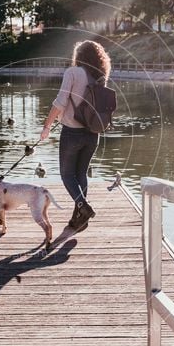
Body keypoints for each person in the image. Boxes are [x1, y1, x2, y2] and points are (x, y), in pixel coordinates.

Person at [40, 40, 111, 232]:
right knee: (81, 174)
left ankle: (84, 207)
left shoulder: (73, 72)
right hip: (93, 134)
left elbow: (60, 102)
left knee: (67, 175)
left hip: (72, 133)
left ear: (79, 57)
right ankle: (79, 219)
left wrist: (47, 126)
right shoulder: (101, 76)